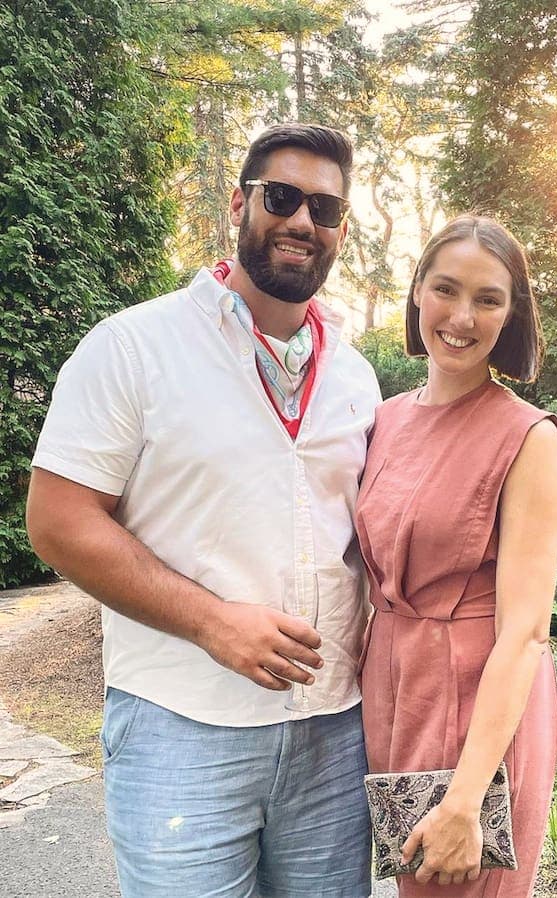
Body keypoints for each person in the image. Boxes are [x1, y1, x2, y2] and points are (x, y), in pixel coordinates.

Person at [26, 124, 380, 898]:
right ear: (238, 204)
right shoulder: (133, 347)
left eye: (323, 208)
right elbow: (57, 519)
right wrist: (212, 622)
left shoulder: (355, 377)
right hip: (179, 728)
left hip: (333, 732)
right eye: (280, 197)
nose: (301, 220)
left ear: (340, 230)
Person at [355, 214, 557, 896]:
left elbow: (526, 632)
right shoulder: (385, 418)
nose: (461, 317)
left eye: (487, 299)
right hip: (394, 692)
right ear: (418, 289)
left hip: (479, 703)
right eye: (446, 289)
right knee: (418, 888)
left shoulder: (528, 437)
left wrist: (466, 798)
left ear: (511, 315)